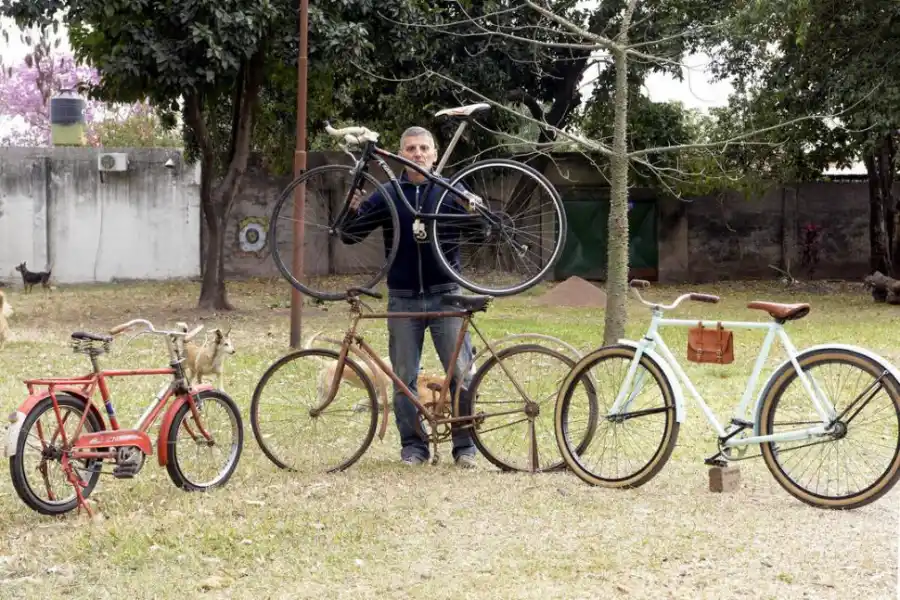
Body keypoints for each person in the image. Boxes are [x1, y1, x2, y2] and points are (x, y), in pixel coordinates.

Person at [340, 126, 478, 468]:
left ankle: (465, 449)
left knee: (460, 374)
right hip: (403, 298)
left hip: (447, 295)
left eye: (424, 148)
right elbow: (348, 236)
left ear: (434, 154)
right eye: (411, 148)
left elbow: (479, 231)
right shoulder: (387, 193)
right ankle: (414, 447)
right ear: (401, 154)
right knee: (404, 378)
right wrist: (352, 209)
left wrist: (474, 208)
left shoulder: (449, 190)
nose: (418, 153)